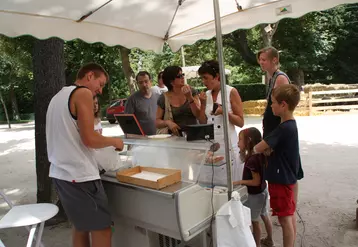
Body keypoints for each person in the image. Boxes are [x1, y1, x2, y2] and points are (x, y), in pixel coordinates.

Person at [46, 63, 124, 247]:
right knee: (102, 229)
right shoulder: (83, 93)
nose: (101, 90)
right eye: (101, 83)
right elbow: (89, 139)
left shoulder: (57, 97)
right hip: (80, 176)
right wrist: (114, 141)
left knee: (80, 227)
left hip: (60, 174)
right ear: (89, 76)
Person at [258, 47, 303, 241]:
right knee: (287, 210)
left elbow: (280, 105)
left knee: (287, 210)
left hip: (277, 140)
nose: (261, 63)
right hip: (275, 136)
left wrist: (272, 140)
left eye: (264, 60)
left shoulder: (280, 79)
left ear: (274, 60)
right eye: (260, 60)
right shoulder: (271, 78)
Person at [253, 84, 302, 247]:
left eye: (273, 102)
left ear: (283, 105)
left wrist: (257, 148)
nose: (271, 106)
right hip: (287, 177)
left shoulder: (283, 128)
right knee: (288, 215)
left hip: (281, 180)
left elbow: (259, 147)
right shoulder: (290, 126)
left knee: (284, 218)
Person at [197, 60, 244, 181]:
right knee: (213, 180)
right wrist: (202, 104)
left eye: (206, 78)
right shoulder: (206, 95)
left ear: (217, 76)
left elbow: (240, 122)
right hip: (212, 146)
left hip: (228, 144)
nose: (204, 82)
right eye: (202, 78)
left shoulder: (230, 92)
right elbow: (202, 122)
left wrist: (224, 112)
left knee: (230, 180)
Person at [234, 127, 274, 247]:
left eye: (240, 140)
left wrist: (240, 182)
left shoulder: (252, 159)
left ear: (249, 140)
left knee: (254, 222)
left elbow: (255, 181)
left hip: (255, 194)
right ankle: (269, 239)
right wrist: (241, 150)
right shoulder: (257, 154)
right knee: (264, 215)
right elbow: (241, 159)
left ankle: (256, 244)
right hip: (263, 190)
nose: (237, 142)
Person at [155, 66, 201, 136]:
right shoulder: (164, 97)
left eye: (182, 74)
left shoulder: (192, 91)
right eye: (179, 76)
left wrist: (190, 97)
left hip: (194, 135)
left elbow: (198, 115)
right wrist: (168, 122)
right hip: (174, 139)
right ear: (171, 82)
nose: (182, 77)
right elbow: (157, 122)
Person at [125, 71, 160, 136]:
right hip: (141, 140)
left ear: (150, 81)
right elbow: (127, 123)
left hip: (157, 137)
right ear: (137, 84)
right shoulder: (132, 100)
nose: (144, 85)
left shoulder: (159, 97)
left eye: (146, 81)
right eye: (141, 82)